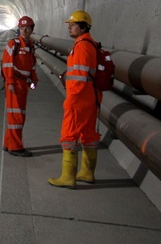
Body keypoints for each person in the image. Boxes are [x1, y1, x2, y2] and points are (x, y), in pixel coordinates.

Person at [48, 10, 102, 188]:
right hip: (91, 97)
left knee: (69, 136)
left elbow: (79, 77)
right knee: (88, 135)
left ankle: (67, 177)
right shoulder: (90, 44)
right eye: (69, 25)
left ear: (83, 26)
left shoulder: (81, 46)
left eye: (73, 25)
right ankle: (87, 173)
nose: (69, 28)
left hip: (79, 98)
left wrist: (71, 99)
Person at [1, 16, 38, 157]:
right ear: (19, 29)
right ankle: (15, 147)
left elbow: (32, 65)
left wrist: (34, 79)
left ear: (32, 30)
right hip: (15, 83)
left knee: (18, 114)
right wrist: (10, 82)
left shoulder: (30, 46)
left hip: (24, 84)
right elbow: (7, 64)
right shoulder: (13, 44)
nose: (25, 30)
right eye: (22, 28)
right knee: (16, 117)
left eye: (28, 28)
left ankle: (8, 143)